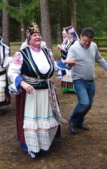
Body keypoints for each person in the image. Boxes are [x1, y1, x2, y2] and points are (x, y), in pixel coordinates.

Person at [8, 22, 66, 158]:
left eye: (39, 34)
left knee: (45, 117)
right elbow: (12, 72)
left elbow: (53, 66)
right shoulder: (21, 54)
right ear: (29, 38)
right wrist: (23, 84)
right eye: (35, 35)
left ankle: (45, 142)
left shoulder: (47, 52)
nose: (38, 37)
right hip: (30, 94)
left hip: (46, 92)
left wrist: (66, 63)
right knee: (33, 119)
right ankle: (32, 147)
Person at [64, 27, 107, 135]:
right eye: (85, 41)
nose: (86, 44)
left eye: (89, 42)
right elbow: (67, 64)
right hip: (79, 79)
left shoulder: (93, 46)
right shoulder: (73, 48)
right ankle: (73, 121)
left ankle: (80, 121)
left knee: (88, 105)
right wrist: (69, 64)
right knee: (84, 103)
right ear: (80, 36)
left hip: (91, 81)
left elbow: (100, 59)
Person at [57, 26, 79, 92]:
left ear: (72, 34)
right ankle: (67, 88)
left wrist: (63, 48)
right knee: (66, 73)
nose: (67, 35)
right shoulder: (67, 41)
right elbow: (65, 48)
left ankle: (73, 88)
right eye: (67, 34)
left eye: (69, 34)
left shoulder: (75, 41)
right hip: (66, 59)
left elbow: (72, 50)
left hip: (72, 59)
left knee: (71, 74)